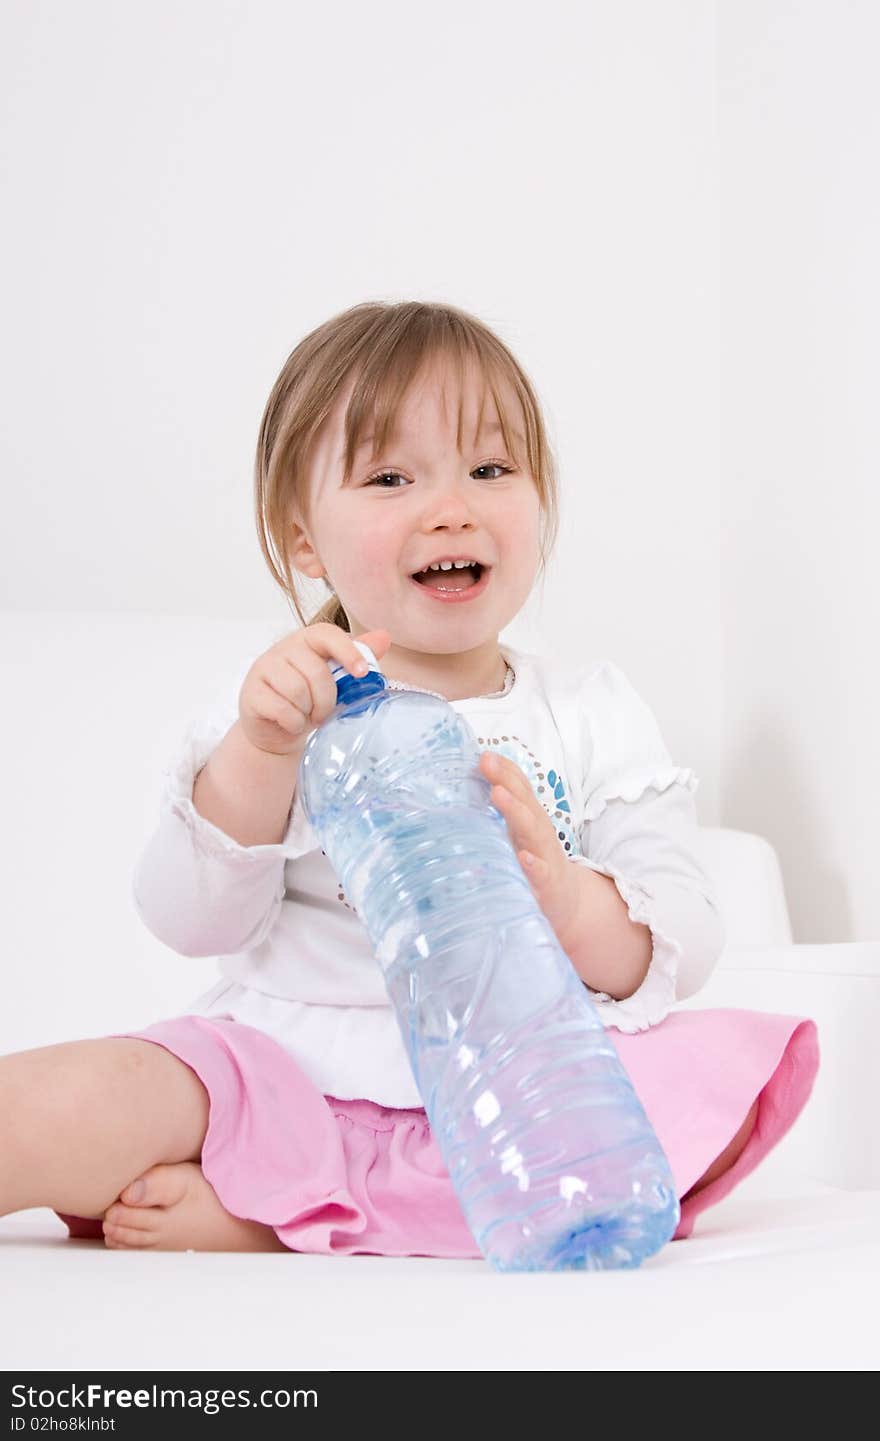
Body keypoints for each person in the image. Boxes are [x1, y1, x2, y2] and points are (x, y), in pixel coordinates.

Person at [0, 300, 819, 1256]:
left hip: (516, 1088)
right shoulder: (280, 707)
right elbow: (189, 921)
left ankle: (267, 1217)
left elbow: (685, 939)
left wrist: (565, 895)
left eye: (491, 468)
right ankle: (285, 1192)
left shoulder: (591, 711)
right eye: (391, 476)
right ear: (304, 539)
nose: (451, 506)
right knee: (80, 1094)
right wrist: (260, 754)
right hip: (287, 1074)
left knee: (675, 1102)